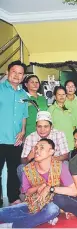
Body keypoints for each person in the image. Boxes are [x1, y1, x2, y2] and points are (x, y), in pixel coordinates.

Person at [0, 139, 77, 228]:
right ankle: (43, 218)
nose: (37, 150)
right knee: (2, 213)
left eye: (41, 148)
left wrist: (49, 188)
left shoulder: (61, 166)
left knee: (52, 210)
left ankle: (12, 226)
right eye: (36, 148)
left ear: (51, 151)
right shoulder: (28, 169)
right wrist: (40, 186)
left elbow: (73, 191)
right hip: (32, 204)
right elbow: (27, 193)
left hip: (52, 204)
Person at [0, 61, 28, 206]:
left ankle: (13, 198)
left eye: (20, 73)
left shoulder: (23, 94)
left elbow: (24, 115)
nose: (17, 75)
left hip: (15, 140)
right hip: (0, 139)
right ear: (7, 72)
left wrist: (23, 131)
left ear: (23, 77)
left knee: (13, 171)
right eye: (14, 72)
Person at [19, 111, 70, 179]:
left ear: (51, 127)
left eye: (46, 126)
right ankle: (27, 188)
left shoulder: (59, 134)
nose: (42, 130)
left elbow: (66, 155)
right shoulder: (30, 137)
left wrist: (47, 160)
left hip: (55, 165)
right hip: (36, 168)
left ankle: (64, 187)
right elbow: (23, 161)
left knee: (66, 164)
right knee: (21, 168)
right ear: (35, 127)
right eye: (39, 126)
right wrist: (29, 157)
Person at [48, 86, 75, 151]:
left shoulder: (69, 109)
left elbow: (74, 126)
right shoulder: (51, 109)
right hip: (57, 143)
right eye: (59, 94)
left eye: (63, 94)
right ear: (55, 96)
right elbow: (48, 127)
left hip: (70, 144)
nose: (61, 96)